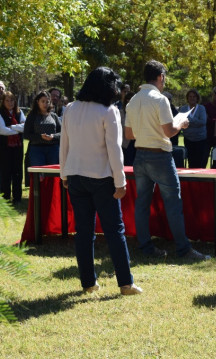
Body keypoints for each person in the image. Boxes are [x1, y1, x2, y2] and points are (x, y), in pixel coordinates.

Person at [59, 67, 142, 296]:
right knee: (115, 231)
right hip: (101, 178)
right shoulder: (109, 111)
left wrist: (64, 174)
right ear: (108, 87)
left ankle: (88, 283)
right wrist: (120, 181)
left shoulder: (70, 109)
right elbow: (114, 150)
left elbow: (63, 144)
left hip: (76, 176)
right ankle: (125, 284)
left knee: (83, 233)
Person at [125, 60, 209, 260]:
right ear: (161, 77)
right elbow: (169, 131)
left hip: (140, 155)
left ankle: (145, 247)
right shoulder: (160, 99)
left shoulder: (133, 100)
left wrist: (147, 130)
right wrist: (181, 124)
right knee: (173, 203)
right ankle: (183, 249)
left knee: (142, 204)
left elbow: (129, 134)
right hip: (160, 156)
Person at [0, 90, 25, 203]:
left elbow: (25, 127)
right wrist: (17, 129)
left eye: (12, 100)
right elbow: (2, 130)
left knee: (17, 173)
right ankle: (6, 197)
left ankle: (17, 198)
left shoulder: (19, 112)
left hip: (17, 148)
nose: (10, 102)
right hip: (4, 149)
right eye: (7, 100)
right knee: (5, 173)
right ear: (3, 101)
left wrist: (11, 127)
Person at [23, 91, 62, 166]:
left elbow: (62, 133)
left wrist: (53, 136)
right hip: (36, 150)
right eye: (43, 101)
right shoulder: (32, 116)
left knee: (53, 175)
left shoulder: (54, 116)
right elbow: (26, 134)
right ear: (38, 102)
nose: (45, 104)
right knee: (39, 175)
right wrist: (40, 137)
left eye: (47, 102)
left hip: (53, 149)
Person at [178, 89, 209, 168]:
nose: (192, 98)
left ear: (197, 98)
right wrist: (196, 121)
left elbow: (203, 122)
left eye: (194, 96)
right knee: (190, 162)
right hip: (188, 140)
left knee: (200, 162)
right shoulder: (183, 109)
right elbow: (180, 122)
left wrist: (188, 120)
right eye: (190, 96)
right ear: (187, 98)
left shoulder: (201, 108)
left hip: (200, 140)